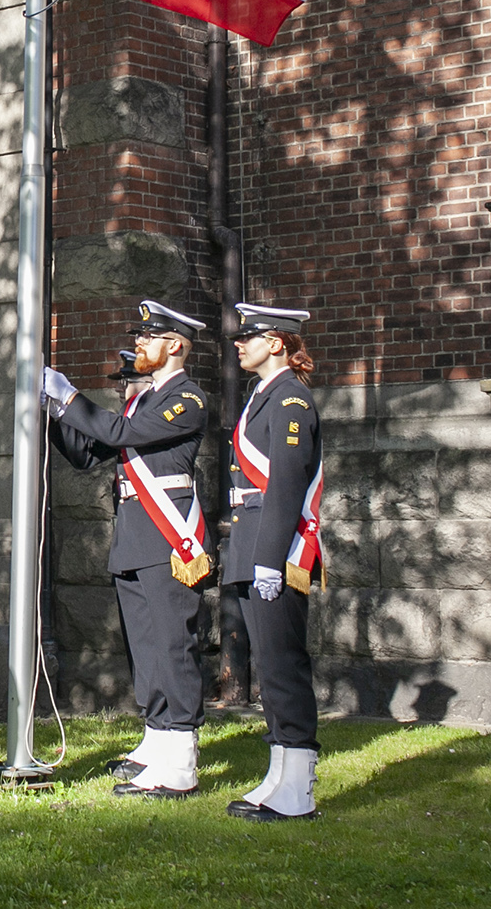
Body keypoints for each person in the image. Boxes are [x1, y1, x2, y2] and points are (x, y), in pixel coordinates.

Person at [42, 299, 210, 799]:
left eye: (148, 338)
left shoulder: (188, 398)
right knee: (146, 646)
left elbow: (121, 433)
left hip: (169, 538)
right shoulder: (145, 402)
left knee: (173, 645)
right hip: (137, 537)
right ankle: (158, 741)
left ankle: (181, 756)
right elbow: (86, 454)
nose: (138, 345)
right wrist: (53, 413)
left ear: (175, 345)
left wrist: (71, 397)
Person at [222, 302, 325, 822]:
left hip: (277, 550)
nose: (240, 343)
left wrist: (269, 560)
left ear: (278, 343)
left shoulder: (290, 400)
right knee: (269, 665)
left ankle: (300, 788)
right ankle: (279, 775)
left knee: (283, 667)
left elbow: (285, 484)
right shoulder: (263, 397)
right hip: (253, 542)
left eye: (250, 336)